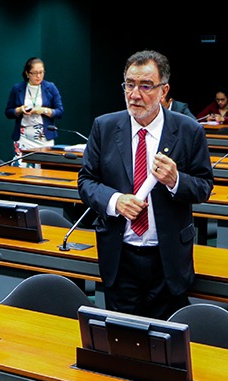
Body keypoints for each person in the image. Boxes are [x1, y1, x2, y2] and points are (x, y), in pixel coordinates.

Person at [78, 50, 213, 319]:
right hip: (120, 256)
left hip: (167, 260)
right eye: (129, 84)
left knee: (166, 344)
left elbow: (204, 185)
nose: (135, 94)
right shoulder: (104, 127)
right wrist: (116, 201)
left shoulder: (188, 130)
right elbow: (86, 181)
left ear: (164, 90)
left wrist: (176, 180)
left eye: (145, 86)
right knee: (121, 341)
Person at [4, 57, 64, 163]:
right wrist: (19, 110)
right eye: (35, 73)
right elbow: (8, 112)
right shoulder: (17, 89)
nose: (39, 76)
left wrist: (43, 110)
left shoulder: (51, 87)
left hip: (44, 138)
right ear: (27, 73)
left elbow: (60, 112)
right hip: (23, 137)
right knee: (22, 169)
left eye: (41, 72)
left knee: (44, 170)